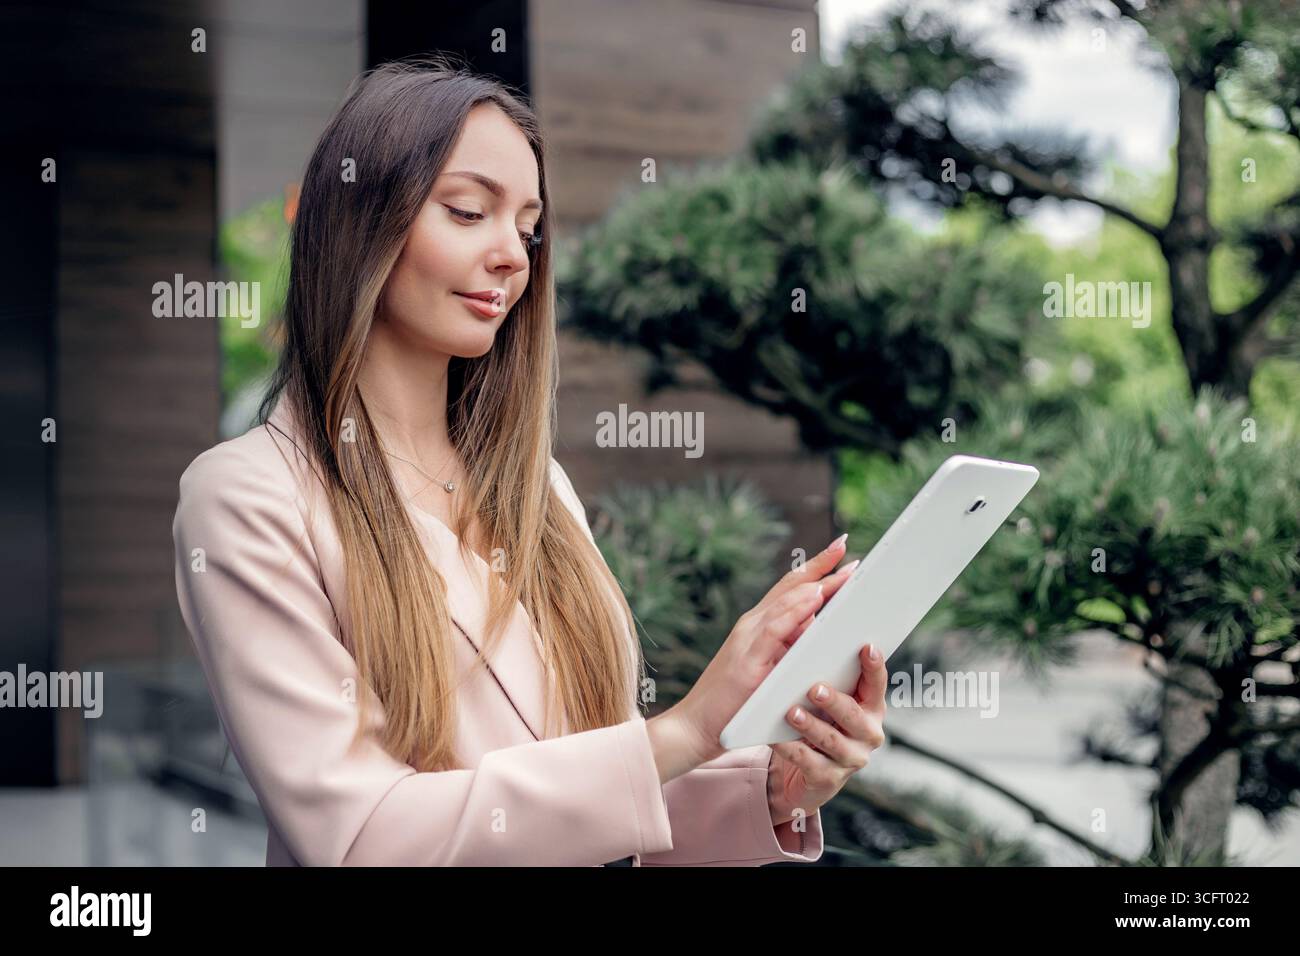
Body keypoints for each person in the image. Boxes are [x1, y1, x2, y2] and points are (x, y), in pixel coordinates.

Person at [172, 56, 887, 867]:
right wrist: (683, 729)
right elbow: (362, 838)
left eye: (528, 225)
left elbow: (601, 795)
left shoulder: (537, 488)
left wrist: (770, 788)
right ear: (360, 220)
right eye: (470, 211)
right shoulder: (246, 497)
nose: (514, 253)